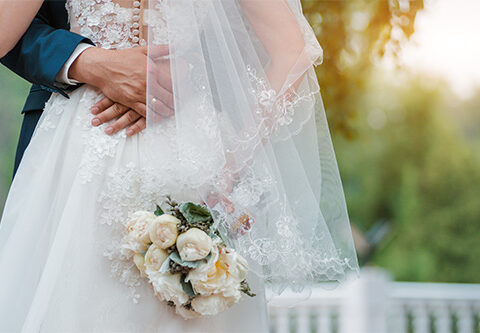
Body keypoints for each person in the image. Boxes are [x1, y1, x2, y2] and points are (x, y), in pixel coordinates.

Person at [0, 0, 359, 331]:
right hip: (177, 154)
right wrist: (230, 169)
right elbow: (293, 50)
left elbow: (281, 50)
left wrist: (195, 73)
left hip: (100, 145)